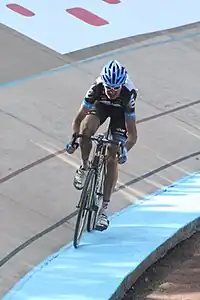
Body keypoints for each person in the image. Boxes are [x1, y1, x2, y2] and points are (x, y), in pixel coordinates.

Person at [66, 60, 138, 231]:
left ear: (122, 85)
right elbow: (77, 120)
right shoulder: (96, 89)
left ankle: (103, 210)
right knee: (85, 130)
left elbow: (133, 135)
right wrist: (75, 139)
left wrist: (125, 149)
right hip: (101, 107)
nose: (112, 91)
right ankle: (84, 168)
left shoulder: (128, 95)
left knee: (112, 156)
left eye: (116, 88)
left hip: (120, 115)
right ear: (103, 83)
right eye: (109, 88)